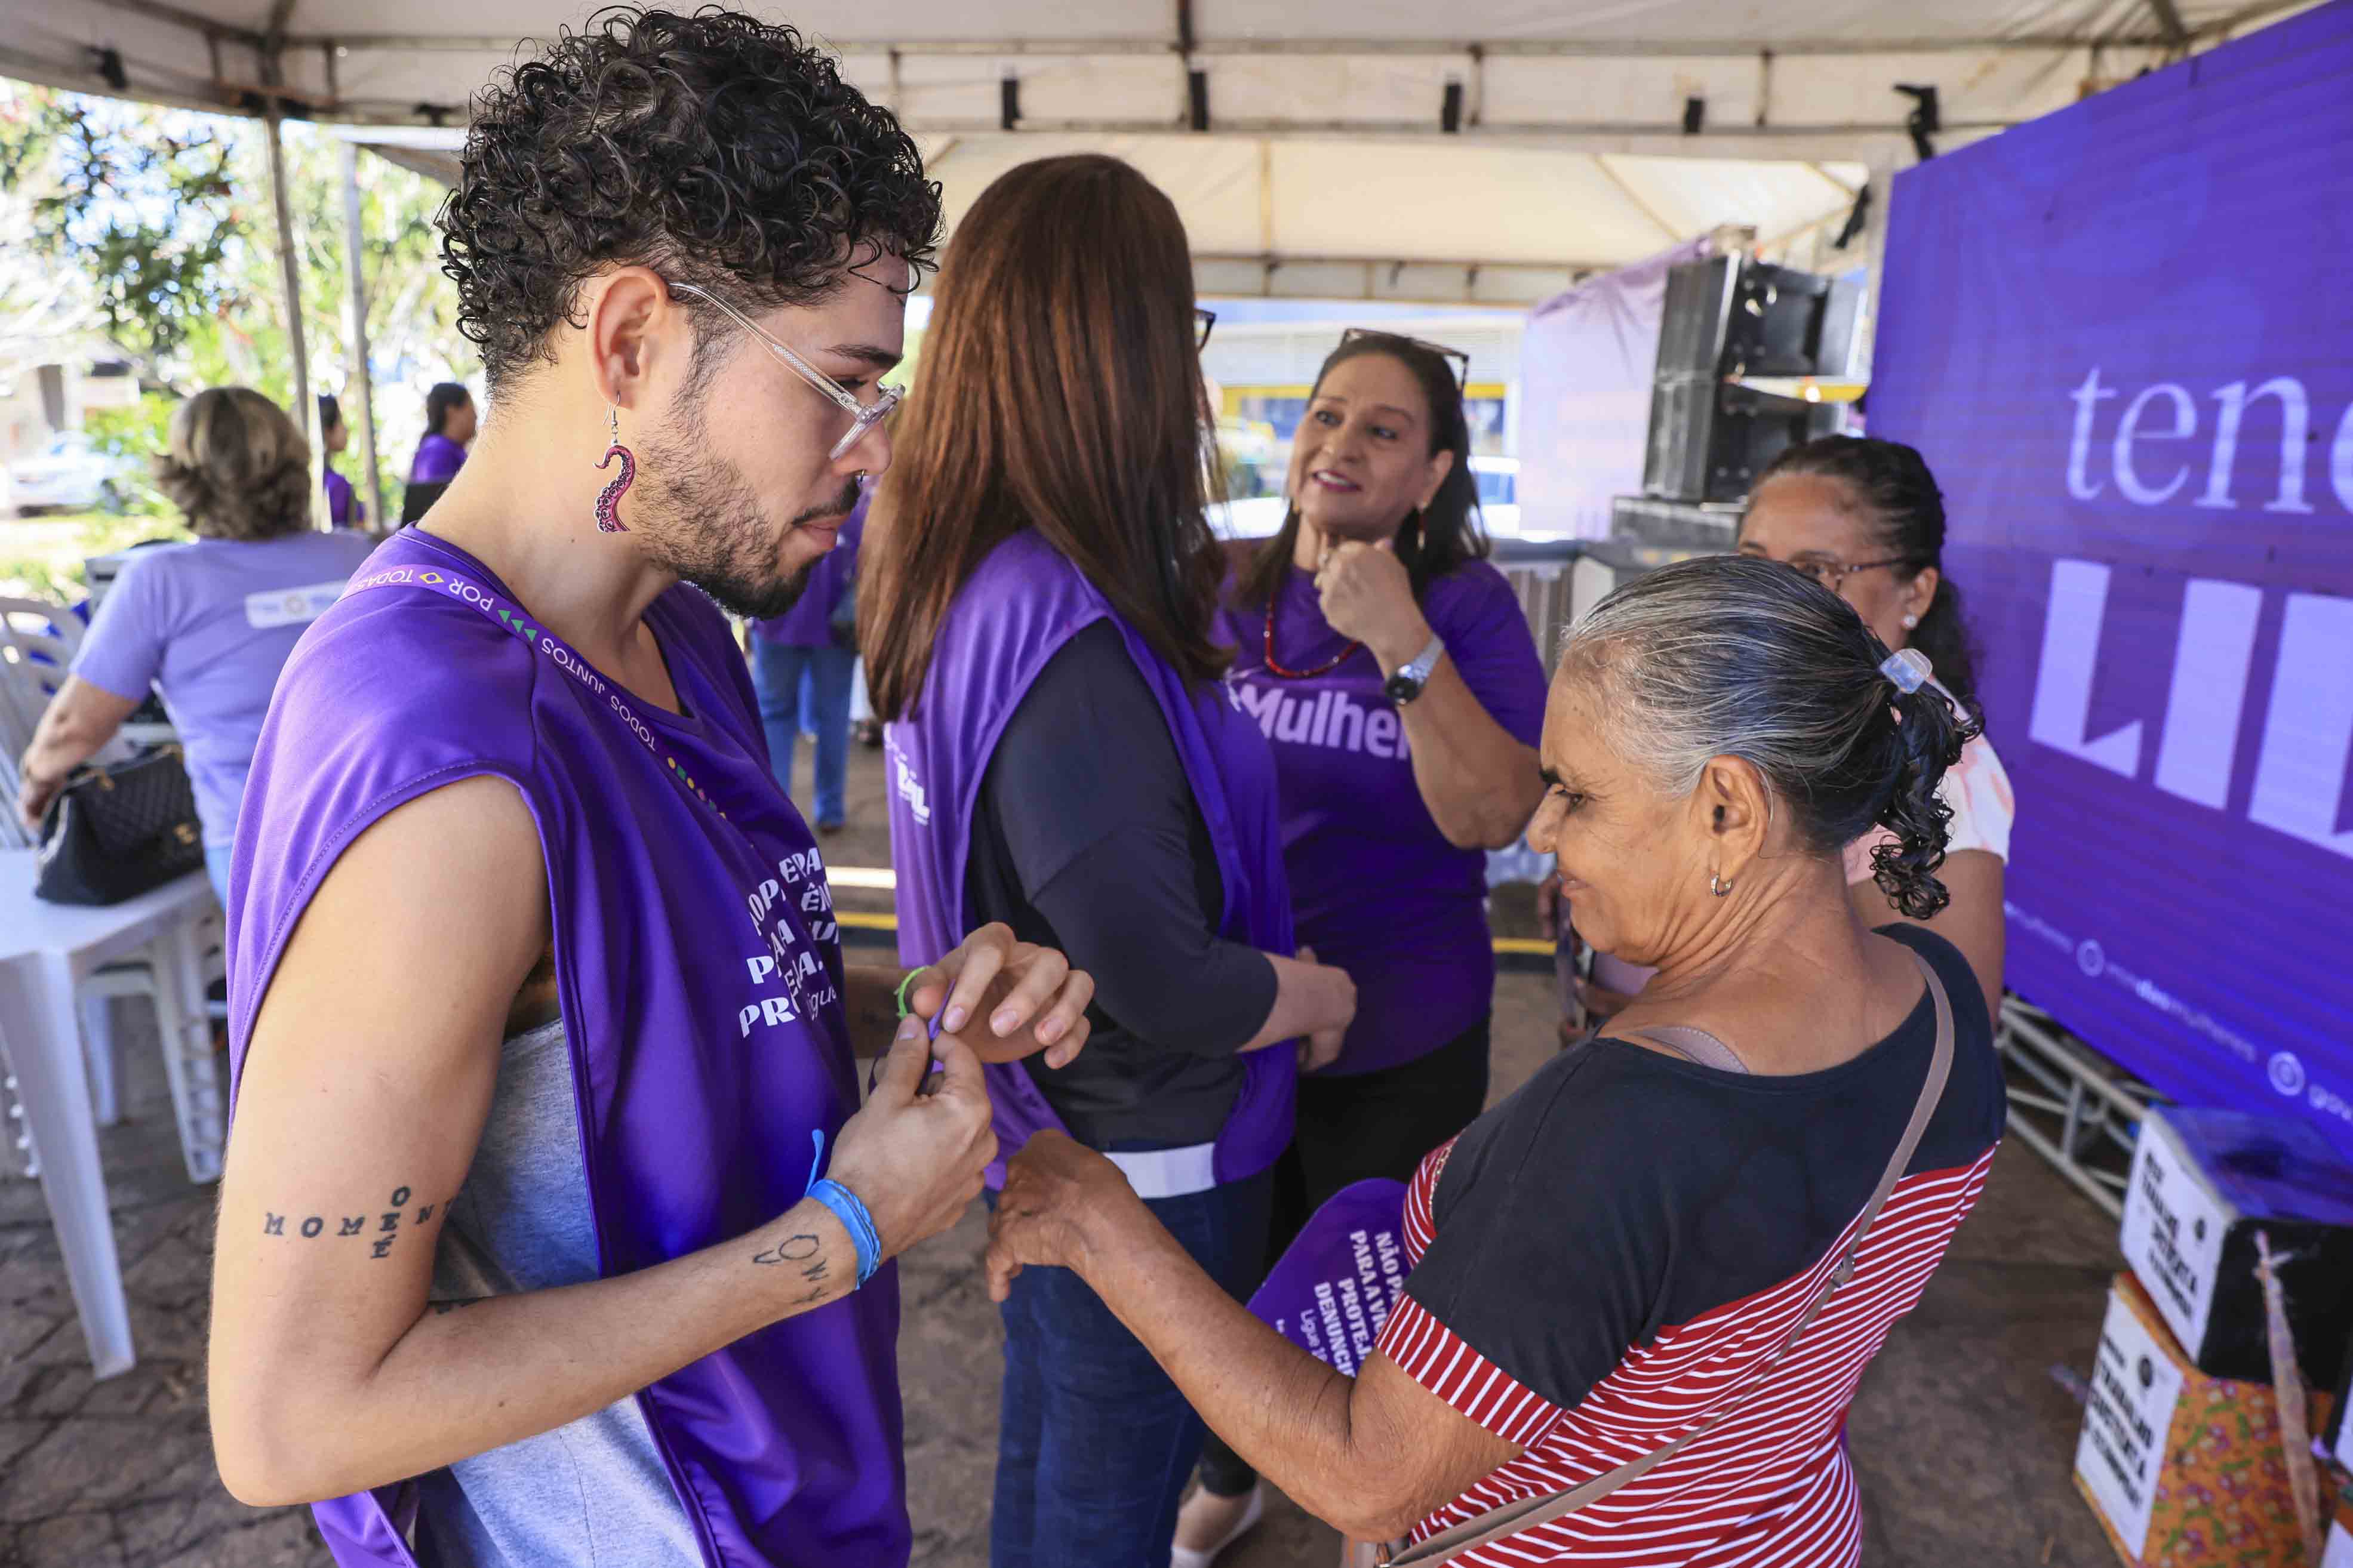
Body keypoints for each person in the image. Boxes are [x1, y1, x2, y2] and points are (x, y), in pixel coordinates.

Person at [205, 15, 1094, 1568]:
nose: (873, 453)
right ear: (628, 340)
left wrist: (922, 1012)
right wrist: (847, 1233)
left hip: (797, 1485)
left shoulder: (677, 624)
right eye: (841, 382)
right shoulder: (444, 757)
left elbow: (670, 1009)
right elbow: (290, 1416)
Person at [986, 553, 2007, 1568]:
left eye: (1575, 793)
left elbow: (1369, 1472)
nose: (1544, 829)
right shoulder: (1942, 1002)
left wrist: (1097, 1221)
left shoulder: (1620, 1123)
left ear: (1729, 811)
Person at [863, 153, 1358, 1568]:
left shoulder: (973, 572)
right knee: (1103, 1503)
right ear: (1130, 353)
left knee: (1061, 1463)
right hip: (1148, 1148)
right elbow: (1159, 973)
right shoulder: (1059, 618)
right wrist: (1321, 996)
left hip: (1061, 1123)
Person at [1182, 331, 1546, 1564]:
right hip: (1241, 1022)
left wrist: (1403, 643)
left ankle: (1372, 1517)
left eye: (1380, 429)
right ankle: (1228, 1476)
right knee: (1236, 1285)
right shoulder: (1222, 585)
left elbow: (1491, 815)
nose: (1338, 443)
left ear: (1434, 469)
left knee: (1373, 1311)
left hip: (1404, 1033)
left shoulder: (1463, 607)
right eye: (1324, 415)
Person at [1545, 435, 2013, 1029]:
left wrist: (1677, 1024)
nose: (1769, 592)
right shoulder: (1766, 698)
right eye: (1753, 559)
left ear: (1913, 593)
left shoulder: (1937, 777)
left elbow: (1941, 1029)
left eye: (1815, 569)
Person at [16, 386, 376, 905]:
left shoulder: (160, 580)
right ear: (296, 465)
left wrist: (35, 788)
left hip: (263, 861)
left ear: (183, 478)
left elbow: (72, 728)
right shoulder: (359, 556)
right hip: (389, 826)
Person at [749, 480, 866, 831]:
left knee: (774, 717)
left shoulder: (775, 495)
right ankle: (830, 811)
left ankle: (777, 814)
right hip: (836, 628)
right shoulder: (854, 507)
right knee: (833, 720)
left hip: (777, 625)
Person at [399, 381, 477, 523]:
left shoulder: (453, 449)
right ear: (452, 412)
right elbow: (432, 508)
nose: (476, 417)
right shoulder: (437, 451)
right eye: (471, 409)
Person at [319, 393, 365, 529]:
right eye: (341, 421)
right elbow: (362, 529)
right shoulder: (338, 485)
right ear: (327, 430)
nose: (347, 429)